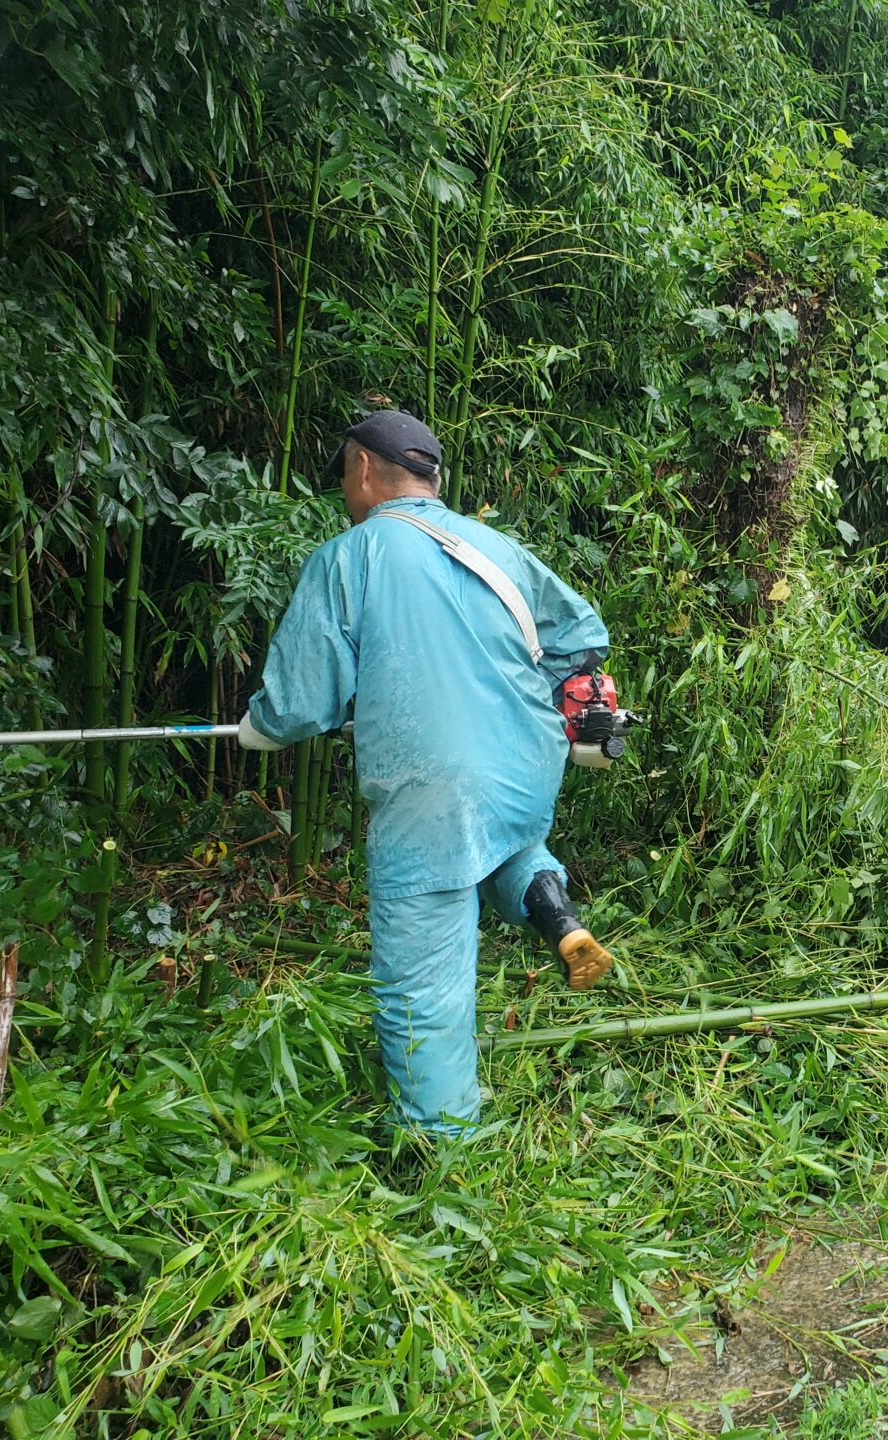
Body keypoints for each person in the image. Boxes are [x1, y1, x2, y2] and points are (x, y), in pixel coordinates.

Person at [238, 409, 615, 1135]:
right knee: (498, 840)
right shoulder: (498, 546)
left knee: (422, 977)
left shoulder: (351, 556)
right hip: (525, 765)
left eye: (345, 475)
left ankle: (443, 1148)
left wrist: (261, 728)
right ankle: (552, 909)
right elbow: (582, 638)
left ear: (366, 471)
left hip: (433, 787)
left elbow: (296, 704)